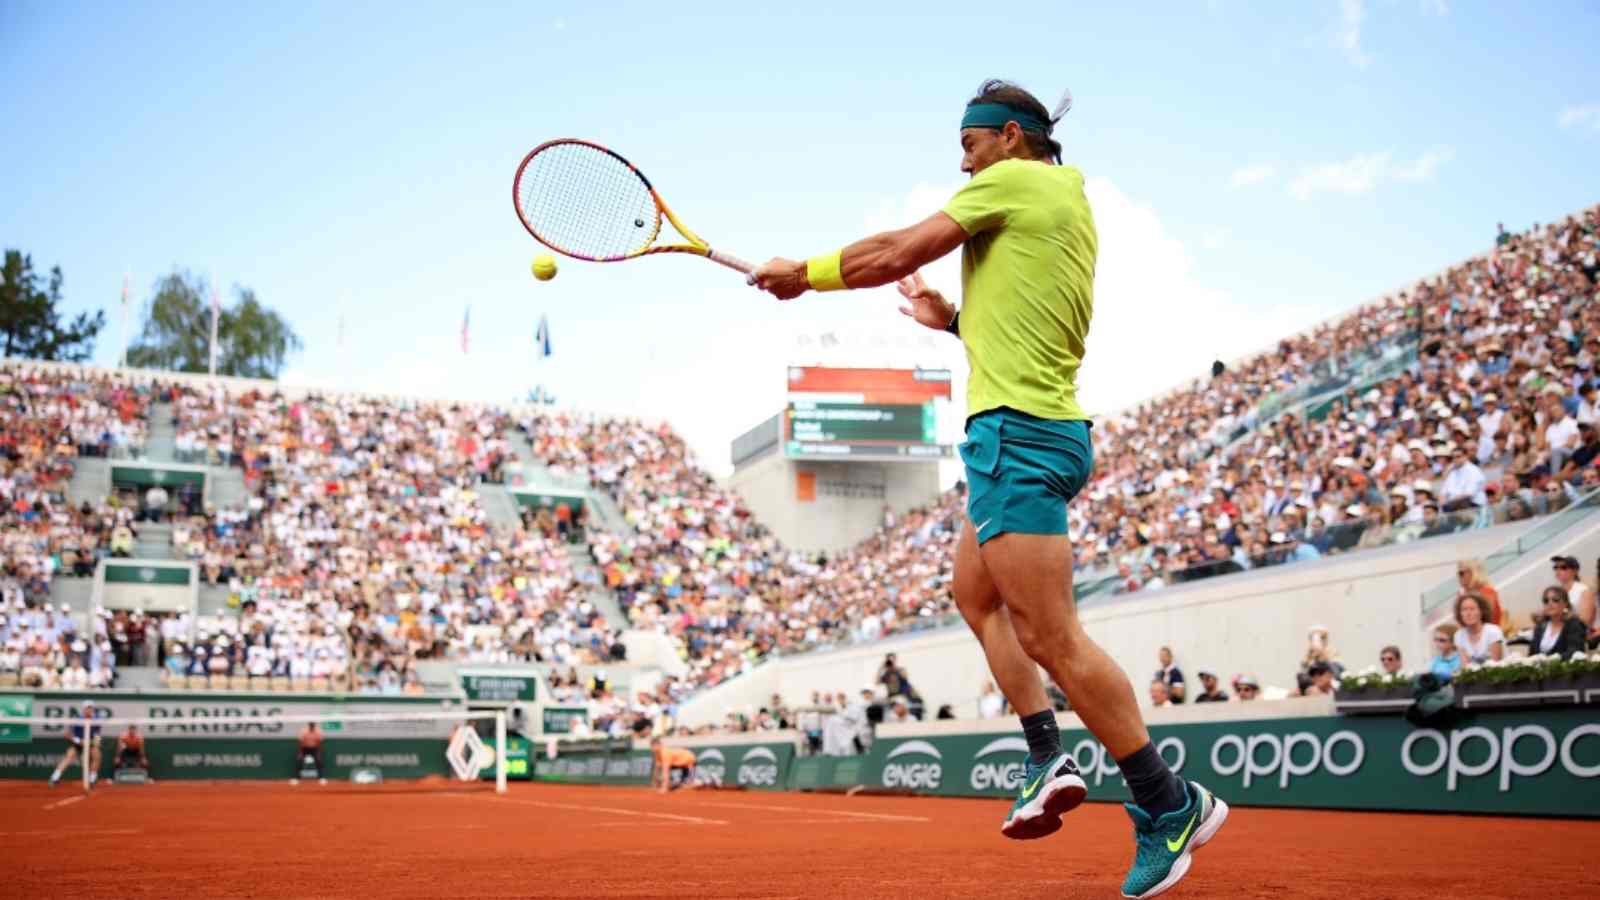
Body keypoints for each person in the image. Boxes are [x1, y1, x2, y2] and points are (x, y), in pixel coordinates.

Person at [754, 81, 1225, 896]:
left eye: (968, 145)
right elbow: (1021, 326)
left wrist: (804, 273)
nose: (961, 162)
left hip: (1018, 433)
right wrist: (952, 323)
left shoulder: (1008, 180)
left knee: (1054, 638)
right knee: (973, 594)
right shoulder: (1065, 202)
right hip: (1045, 430)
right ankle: (1048, 756)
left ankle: (1166, 802)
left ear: (1009, 137)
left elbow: (895, 252)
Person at [48, 700, 101, 788]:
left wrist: (96, 741)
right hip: (77, 743)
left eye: (91, 708)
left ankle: (92, 780)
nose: (89, 710)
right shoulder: (77, 719)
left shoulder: (96, 720)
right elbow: (67, 734)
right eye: (88, 708)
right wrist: (78, 741)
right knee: (69, 756)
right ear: (83, 709)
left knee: (97, 756)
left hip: (89, 743)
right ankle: (54, 778)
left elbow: (97, 734)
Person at [1531, 587, 1587, 659]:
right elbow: (1532, 655)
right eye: (1546, 601)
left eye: (1555, 600)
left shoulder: (1575, 625)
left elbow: (1574, 651)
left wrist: (1550, 660)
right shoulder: (1540, 627)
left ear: (1565, 604)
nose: (1550, 603)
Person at [1549, 557, 1594, 641]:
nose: (1558, 571)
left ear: (1575, 571)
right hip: (1557, 634)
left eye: (1563, 567)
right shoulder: (1556, 592)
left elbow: (1585, 621)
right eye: (1555, 567)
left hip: (1576, 636)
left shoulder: (1583, 591)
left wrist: (1562, 612)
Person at [1452, 594, 1505, 664]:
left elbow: (1496, 664)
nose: (1468, 613)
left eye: (1472, 609)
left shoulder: (1493, 631)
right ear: (1460, 614)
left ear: (1481, 611)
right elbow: (1466, 667)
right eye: (1464, 610)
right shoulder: (1459, 635)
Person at [1455, 559, 1505, 629]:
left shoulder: (1487, 592)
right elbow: (1459, 621)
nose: (1459, 577)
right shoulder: (1461, 594)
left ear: (1474, 573)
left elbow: (1487, 619)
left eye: (1461, 573)